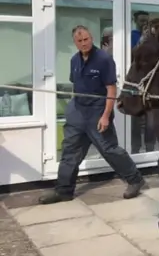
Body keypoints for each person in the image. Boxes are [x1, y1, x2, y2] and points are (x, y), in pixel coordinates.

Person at [39, 25, 146, 204]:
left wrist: (105, 116)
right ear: (75, 42)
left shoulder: (104, 59)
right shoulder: (74, 60)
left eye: (86, 39)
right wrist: (72, 111)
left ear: (92, 38)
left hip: (98, 111)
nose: (84, 43)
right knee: (70, 152)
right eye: (79, 41)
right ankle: (63, 190)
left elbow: (111, 89)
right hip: (78, 112)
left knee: (109, 149)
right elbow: (76, 85)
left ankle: (135, 180)